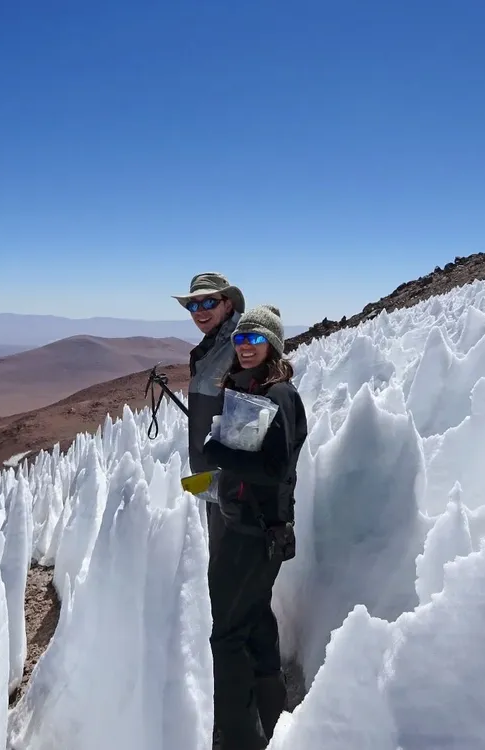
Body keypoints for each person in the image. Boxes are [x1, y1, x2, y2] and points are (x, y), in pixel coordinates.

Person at [200, 304, 308, 750]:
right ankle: (270, 715)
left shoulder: (279, 394)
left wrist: (218, 453)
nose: (245, 347)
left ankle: (238, 736)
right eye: (241, 340)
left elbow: (276, 467)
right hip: (253, 530)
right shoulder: (252, 389)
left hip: (254, 535)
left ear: (273, 345)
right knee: (256, 621)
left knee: (226, 635)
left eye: (255, 340)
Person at [171, 272, 246, 477]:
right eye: (193, 306)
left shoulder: (242, 344)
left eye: (209, 302)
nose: (200, 311)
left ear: (228, 305)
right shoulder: (209, 348)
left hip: (235, 480)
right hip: (212, 474)